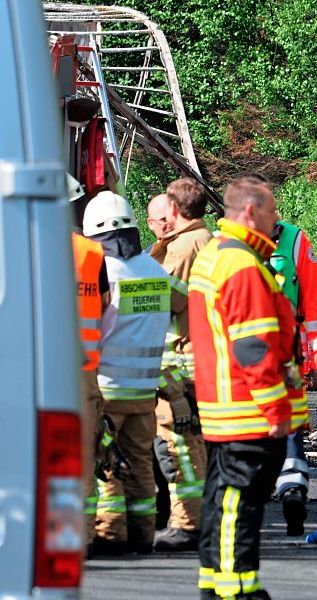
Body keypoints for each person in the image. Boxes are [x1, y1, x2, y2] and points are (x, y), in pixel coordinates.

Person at [190, 177, 308, 600]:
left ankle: (216, 582)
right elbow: (254, 349)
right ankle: (238, 588)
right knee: (241, 506)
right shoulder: (243, 267)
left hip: (225, 405)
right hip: (248, 410)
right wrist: (278, 413)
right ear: (250, 213)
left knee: (221, 500)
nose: (277, 221)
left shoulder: (217, 255)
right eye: (273, 212)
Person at [85, 191, 174, 556]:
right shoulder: (155, 269)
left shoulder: (105, 272)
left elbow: (96, 324)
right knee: (139, 465)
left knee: (105, 466)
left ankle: (110, 534)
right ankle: (143, 533)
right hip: (144, 389)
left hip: (108, 388)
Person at [145, 177, 214, 552]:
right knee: (193, 445)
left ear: (172, 210)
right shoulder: (206, 240)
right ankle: (194, 518)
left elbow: (162, 298)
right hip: (196, 359)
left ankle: (188, 523)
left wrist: (127, 279)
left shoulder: (184, 247)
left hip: (181, 362)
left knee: (178, 446)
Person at [268, 217, 317, 536]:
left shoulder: (292, 239)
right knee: (285, 431)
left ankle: (288, 490)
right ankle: (290, 486)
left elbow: (313, 301)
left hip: (283, 356)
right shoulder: (226, 243)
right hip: (272, 356)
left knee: (286, 428)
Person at [68, 174, 109, 551]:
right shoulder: (93, 254)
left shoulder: (22, 246)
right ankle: (77, 535)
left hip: (32, 372)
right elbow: (108, 306)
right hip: (84, 371)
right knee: (81, 454)